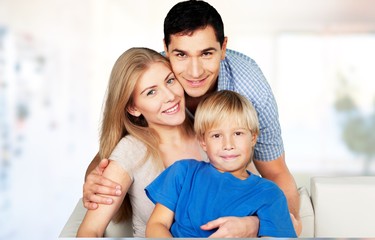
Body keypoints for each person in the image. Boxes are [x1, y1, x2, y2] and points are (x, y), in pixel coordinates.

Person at [83, 0, 302, 236]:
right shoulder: (155, 71)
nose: (194, 72)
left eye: (206, 53)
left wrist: (266, 224)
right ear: (167, 50)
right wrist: (94, 177)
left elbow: (275, 175)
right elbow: (114, 148)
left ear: (223, 47)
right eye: (181, 55)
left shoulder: (226, 126)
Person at [76, 47, 206, 237]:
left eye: (170, 81)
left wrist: (249, 223)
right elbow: (90, 231)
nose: (170, 96)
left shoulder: (212, 132)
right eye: (151, 92)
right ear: (133, 107)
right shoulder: (131, 151)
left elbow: (253, 194)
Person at [145, 90, 297, 238]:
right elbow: (157, 225)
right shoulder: (183, 172)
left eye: (238, 133)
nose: (228, 144)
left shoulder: (270, 193)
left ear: (253, 137)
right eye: (217, 135)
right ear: (203, 142)